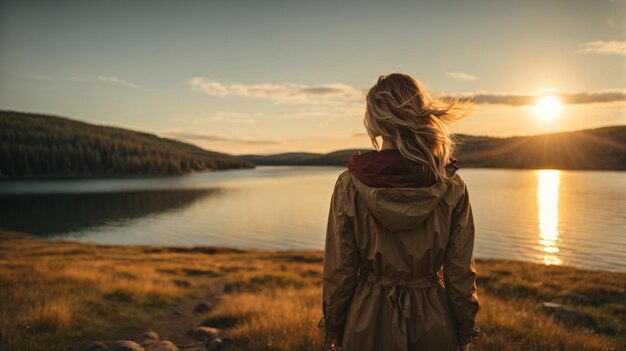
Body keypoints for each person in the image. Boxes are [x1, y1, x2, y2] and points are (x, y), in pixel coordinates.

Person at [320, 73, 480, 351]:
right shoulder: (451, 185)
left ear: (376, 121)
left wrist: (333, 328)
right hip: (434, 324)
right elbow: (460, 275)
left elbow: (340, 270)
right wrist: (465, 332)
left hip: (365, 323)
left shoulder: (350, 184)